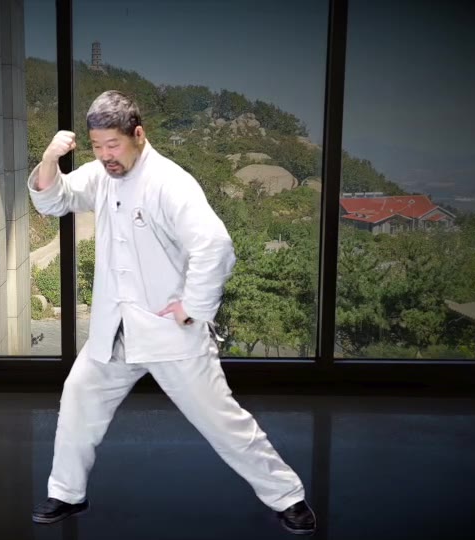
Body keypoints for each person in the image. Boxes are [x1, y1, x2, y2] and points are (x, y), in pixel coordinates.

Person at [27, 90, 316, 535]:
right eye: (98, 146)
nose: (106, 156)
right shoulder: (101, 175)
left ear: (138, 135)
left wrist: (192, 307)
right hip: (115, 330)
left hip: (170, 334)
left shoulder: (170, 182)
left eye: (113, 145)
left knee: (222, 421)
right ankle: (67, 493)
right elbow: (53, 200)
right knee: (78, 397)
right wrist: (50, 158)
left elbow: (215, 246)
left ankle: (288, 497)